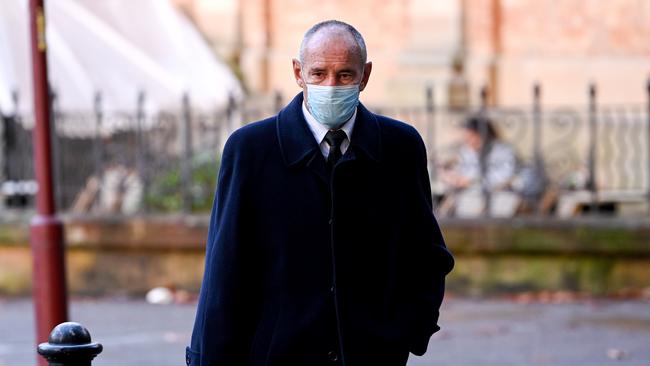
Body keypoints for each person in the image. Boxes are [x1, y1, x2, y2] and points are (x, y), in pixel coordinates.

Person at [186, 20, 454, 366]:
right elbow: (225, 269)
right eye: (318, 73)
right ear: (298, 73)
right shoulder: (251, 149)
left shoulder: (399, 147)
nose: (331, 85)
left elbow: (426, 254)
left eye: (345, 75)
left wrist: (407, 331)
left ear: (365, 75)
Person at [439, 115, 519, 217]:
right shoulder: (467, 150)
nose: (469, 141)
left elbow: (505, 176)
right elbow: (464, 170)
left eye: (472, 137)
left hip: (499, 194)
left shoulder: (503, 150)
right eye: (467, 137)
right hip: (471, 194)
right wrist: (453, 177)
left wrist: (471, 180)